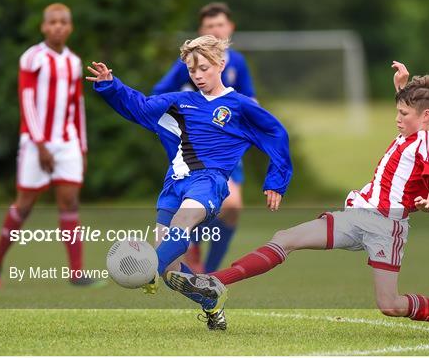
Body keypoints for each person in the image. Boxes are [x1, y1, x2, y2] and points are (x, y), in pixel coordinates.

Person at [166, 61, 429, 337]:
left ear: (426, 115)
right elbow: (414, 113)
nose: (397, 117)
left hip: (386, 227)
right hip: (358, 214)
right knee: (285, 238)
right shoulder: (411, 131)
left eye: (403, 113)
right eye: (398, 110)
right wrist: (402, 87)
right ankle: (213, 283)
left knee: (389, 305)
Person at [87, 35, 292, 330]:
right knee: (172, 272)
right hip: (174, 184)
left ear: (221, 64)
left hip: (209, 182)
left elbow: (276, 135)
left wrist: (276, 180)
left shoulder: (240, 106)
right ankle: (210, 298)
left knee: (180, 228)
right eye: (192, 70)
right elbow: (140, 106)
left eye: (204, 68)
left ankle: (148, 271)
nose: (198, 76)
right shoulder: (179, 102)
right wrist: (111, 85)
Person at [0, 3, 95, 288]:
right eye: (52, 22)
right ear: (43, 27)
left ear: (70, 27)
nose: (58, 26)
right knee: (24, 206)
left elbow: (77, 105)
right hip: (36, 143)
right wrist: (41, 144)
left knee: (69, 201)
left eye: (63, 22)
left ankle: (77, 272)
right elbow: (27, 101)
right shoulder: (32, 57)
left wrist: (81, 147)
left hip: (67, 140)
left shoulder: (74, 61)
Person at [152, 2, 255, 274]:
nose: (216, 30)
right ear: (202, 31)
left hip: (227, 142)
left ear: (230, 28)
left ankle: (210, 270)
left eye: (220, 25)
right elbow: (160, 91)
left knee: (231, 207)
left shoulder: (238, 63)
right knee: (215, 201)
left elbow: (250, 98)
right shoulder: (188, 64)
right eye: (210, 27)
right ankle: (193, 248)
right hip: (196, 145)